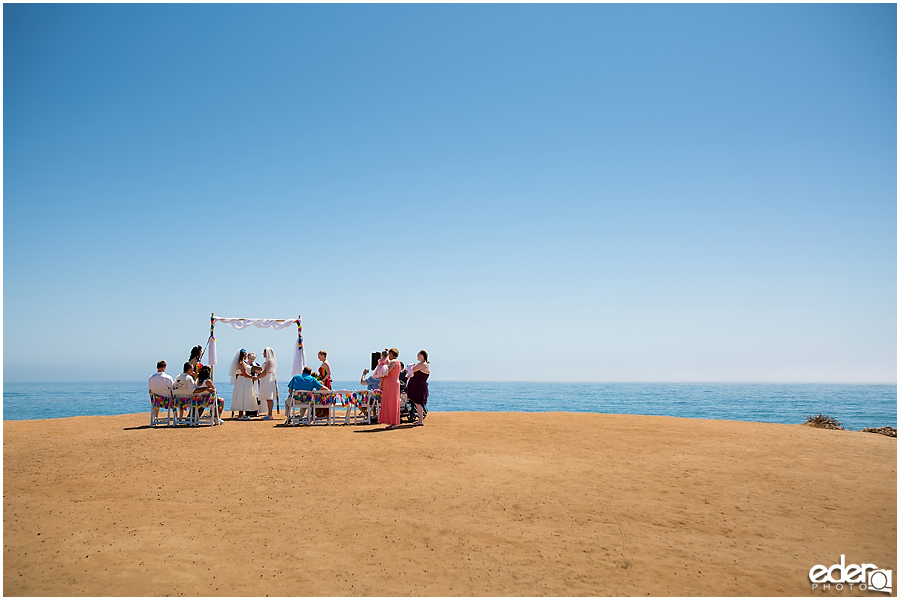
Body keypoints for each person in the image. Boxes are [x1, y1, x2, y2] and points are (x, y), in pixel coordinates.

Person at [229, 348, 259, 420]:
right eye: (245, 354)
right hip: (243, 381)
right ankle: (241, 414)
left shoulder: (242, 363)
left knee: (243, 396)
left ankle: (241, 413)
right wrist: (252, 377)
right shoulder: (241, 363)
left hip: (242, 381)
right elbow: (245, 373)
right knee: (243, 396)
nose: (246, 356)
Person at [378, 348, 402, 429]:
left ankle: (393, 422)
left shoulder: (393, 362)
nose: (388, 355)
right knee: (393, 401)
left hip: (391, 383)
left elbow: (386, 372)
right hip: (393, 382)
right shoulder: (398, 362)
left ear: (393, 354)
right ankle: (392, 422)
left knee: (391, 402)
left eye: (390, 354)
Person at [407, 350, 430, 426]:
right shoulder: (424, 364)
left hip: (419, 386)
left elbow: (411, 370)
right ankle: (420, 420)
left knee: (418, 402)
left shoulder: (422, 364)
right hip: (419, 385)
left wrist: (409, 367)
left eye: (418, 355)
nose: (417, 356)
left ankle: (420, 421)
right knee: (418, 403)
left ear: (422, 355)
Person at [257, 347, 278, 420]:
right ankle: (269, 413)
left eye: (264, 352)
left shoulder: (269, 361)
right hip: (266, 379)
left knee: (269, 397)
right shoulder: (268, 361)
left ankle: (270, 414)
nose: (263, 354)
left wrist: (257, 377)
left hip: (268, 379)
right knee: (267, 397)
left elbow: (266, 372)